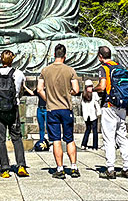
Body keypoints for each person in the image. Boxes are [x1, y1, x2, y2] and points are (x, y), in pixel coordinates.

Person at [37, 44, 80, 179]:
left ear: (54, 55)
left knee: (56, 139)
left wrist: (49, 99)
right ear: (65, 56)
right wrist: (68, 93)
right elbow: (76, 90)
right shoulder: (70, 70)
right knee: (69, 139)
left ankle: (60, 168)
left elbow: (39, 89)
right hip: (66, 108)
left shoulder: (45, 70)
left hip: (52, 108)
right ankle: (73, 168)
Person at [94, 46, 128, 179]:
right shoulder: (121, 68)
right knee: (122, 136)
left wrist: (92, 89)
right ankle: (126, 168)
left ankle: (110, 169)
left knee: (109, 138)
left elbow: (102, 86)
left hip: (109, 105)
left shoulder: (103, 68)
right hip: (122, 106)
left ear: (100, 56)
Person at [0, 50, 29, 178]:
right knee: (16, 138)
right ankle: (21, 165)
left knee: (0, 140)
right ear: (12, 60)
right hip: (13, 110)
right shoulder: (19, 74)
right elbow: (21, 90)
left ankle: (4, 168)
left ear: (1, 60)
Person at [80, 80, 100, 150]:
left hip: (93, 115)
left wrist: (98, 112)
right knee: (88, 129)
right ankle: (84, 144)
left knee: (94, 131)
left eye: (91, 86)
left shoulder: (94, 94)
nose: (91, 88)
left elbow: (97, 104)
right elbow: (82, 106)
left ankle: (95, 146)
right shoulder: (83, 95)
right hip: (87, 115)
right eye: (89, 87)